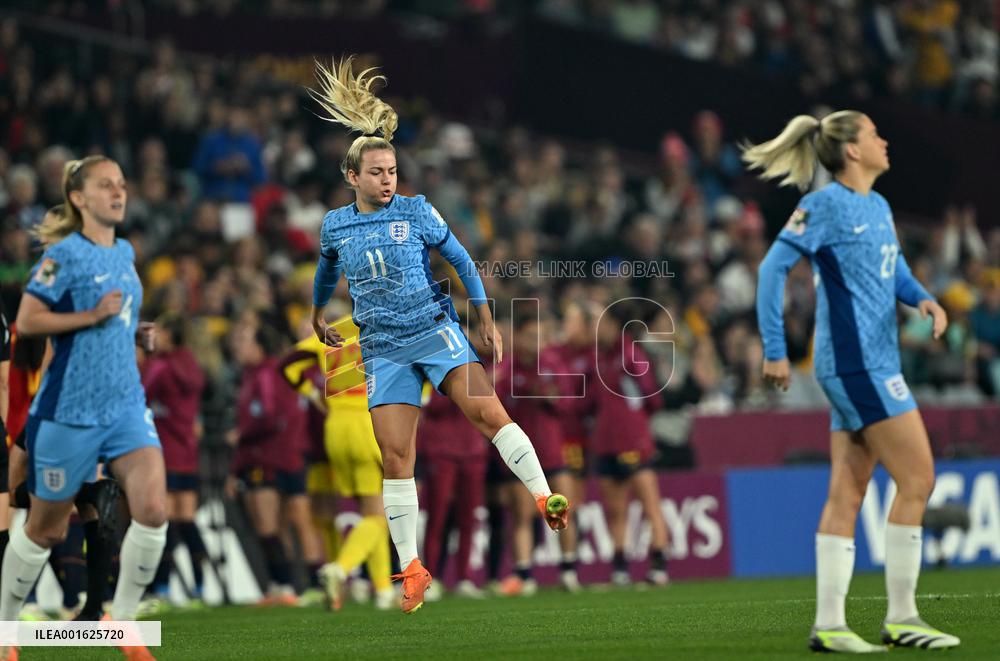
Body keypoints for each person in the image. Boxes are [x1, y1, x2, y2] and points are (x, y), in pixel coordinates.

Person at [308, 56, 569, 614]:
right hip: (383, 349)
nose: (387, 180)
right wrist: (317, 310)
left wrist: (484, 316)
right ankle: (412, 568)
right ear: (352, 177)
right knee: (396, 456)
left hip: (434, 331)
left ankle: (545, 496)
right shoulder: (335, 225)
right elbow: (327, 270)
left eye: (392, 171)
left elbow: (462, 260)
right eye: (376, 173)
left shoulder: (418, 212)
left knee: (489, 413)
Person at [748, 111, 960, 652]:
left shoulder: (878, 205)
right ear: (852, 151)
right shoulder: (824, 205)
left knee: (847, 490)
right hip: (857, 364)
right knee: (918, 478)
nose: (885, 140)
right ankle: (903, 617)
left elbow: (894, 270)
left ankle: (830, 626)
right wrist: (775, 349)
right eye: (874, 134)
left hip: (871, 362)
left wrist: (923, 298)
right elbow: (772, 269)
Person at [4, 156, 165, 661]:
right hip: (69, 410)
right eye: (105, 185)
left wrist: (134, 330)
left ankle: (123, 624)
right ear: (78, 198)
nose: (118, 192)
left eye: (122, 184)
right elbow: (28, 321)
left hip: (125, 405)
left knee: (153, 510)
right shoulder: (63, 256)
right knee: (46, 530)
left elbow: (118, 315)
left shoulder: (126, 251)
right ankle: (5, 630)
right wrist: (92, 315)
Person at [279, 312, 395, 611]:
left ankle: (383, 590)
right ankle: (340, 569)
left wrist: (311, 393)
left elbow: (287, 364)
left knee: (368, 510)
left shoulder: (329, 334)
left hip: (335, 426)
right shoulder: (377, 327)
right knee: (376, 515)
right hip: (365, 424)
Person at [230, 323, 321, 605]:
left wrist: (241, 435)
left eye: (244, 340)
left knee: (269, 525)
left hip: (268, 456)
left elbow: (268, 415)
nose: (237, 346)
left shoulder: (265, 373)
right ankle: (311, 585)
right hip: (292, 453)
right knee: (295, 521)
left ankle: (283, 584)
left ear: (259, 345)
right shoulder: (268, 371)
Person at [494, 313, 576, 596]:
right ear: (518, 337)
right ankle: (524, 574)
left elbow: (568, 402)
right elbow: (497, 408)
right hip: (521, 456)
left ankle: (568, 570)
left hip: (552, 451)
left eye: (539, 336)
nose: (535, 342)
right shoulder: (508, 369)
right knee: (522, 515)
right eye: (530, 336)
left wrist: (554, 398)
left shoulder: (552, 365)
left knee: (563, 509)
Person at [589, 304, 669, 587]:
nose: (599, 329)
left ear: (616, 325)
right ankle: (620, 568)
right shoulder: (599, 357)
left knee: (649, 504)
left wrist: (634, 425)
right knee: (615, 509)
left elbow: (652, 397)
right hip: (606, 442)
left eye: (603, 323)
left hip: (633, 441)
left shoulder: (632, 355)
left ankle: (659, 566)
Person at [143, 315, 208, 606]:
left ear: (170, 335)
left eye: (158, 332)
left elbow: (141, 395)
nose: (153, 337)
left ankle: (163, 587)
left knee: (166, 521)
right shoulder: (191, 365)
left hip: (165, 450)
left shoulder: (161, 366)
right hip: (188, 451)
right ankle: (200, 585)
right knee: (187, 520)